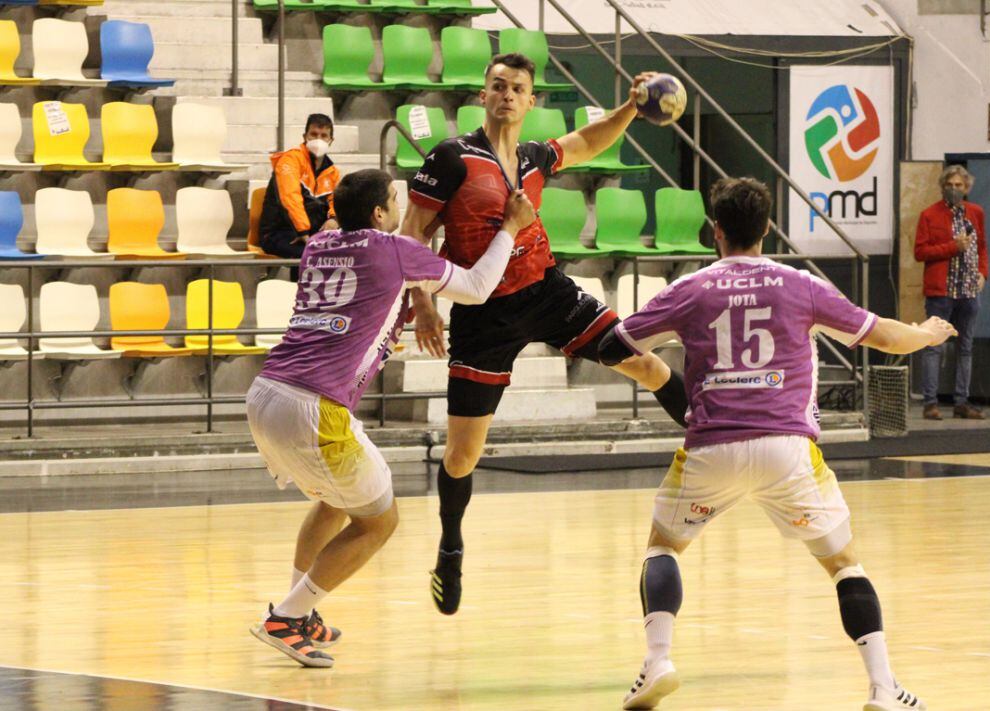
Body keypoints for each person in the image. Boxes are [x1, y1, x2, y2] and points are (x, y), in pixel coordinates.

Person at [600, 177, 955, 710]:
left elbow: (613, 344)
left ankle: (658, 661)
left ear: (715, 232)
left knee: (663, 545)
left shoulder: (689, 289)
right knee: (843, 564)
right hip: (787, 448)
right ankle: (884, 687)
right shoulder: (800, 284)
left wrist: (664, 376)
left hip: (711, 445)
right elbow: (883, 336)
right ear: (765, 229)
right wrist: (927, 333)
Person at [400, 53, 690, 616]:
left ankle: (718, 436)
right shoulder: (452, 158)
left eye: (518, 89)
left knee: (642, 359)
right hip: (483, 314)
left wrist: (631, 107)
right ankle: (450, 546)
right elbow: (413, 235)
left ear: (532, 102)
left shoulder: (534, 158)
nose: (507, 94)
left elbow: (586, 143)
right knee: (462, 456)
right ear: (483, 94)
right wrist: (424, 304)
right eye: (498, 85)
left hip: (548, 293)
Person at [245, 169, 536, 667]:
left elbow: (384, 281)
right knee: (380, 521)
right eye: (395, 201)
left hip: (266, 393)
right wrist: (509, 227)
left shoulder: (320, 243)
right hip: (315, 407)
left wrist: (419, 298)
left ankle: (301, 610)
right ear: (380, 213)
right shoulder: (393, 248)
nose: (401, 209)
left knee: (333, 502)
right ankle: (288, 618)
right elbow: (476, 287)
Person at [914, 164, 988, 420]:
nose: (954, 189)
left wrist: (983, 273)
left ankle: (961, 401)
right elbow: (920, 252)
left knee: (965, 347)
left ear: (966, 188)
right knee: (934, 347)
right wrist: (952, 247)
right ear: (943, 187)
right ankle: (930, 402)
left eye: (959, 185)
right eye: (950, 185)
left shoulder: (976, 212)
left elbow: (982, 248)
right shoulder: (929, 215)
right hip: (941, 290)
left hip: (968, 289)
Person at [259, 113, 342, 259]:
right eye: (314, 134)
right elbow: (290, 197)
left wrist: (334, 220)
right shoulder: (290, 160)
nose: (318, 140)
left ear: (331, 140)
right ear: (305, 136)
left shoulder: (332, 172)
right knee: (312, 254)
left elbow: (335, 201)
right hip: (279, 232)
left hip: (312, 234)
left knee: (344, 252)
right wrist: (303, 231)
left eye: (324, 136)